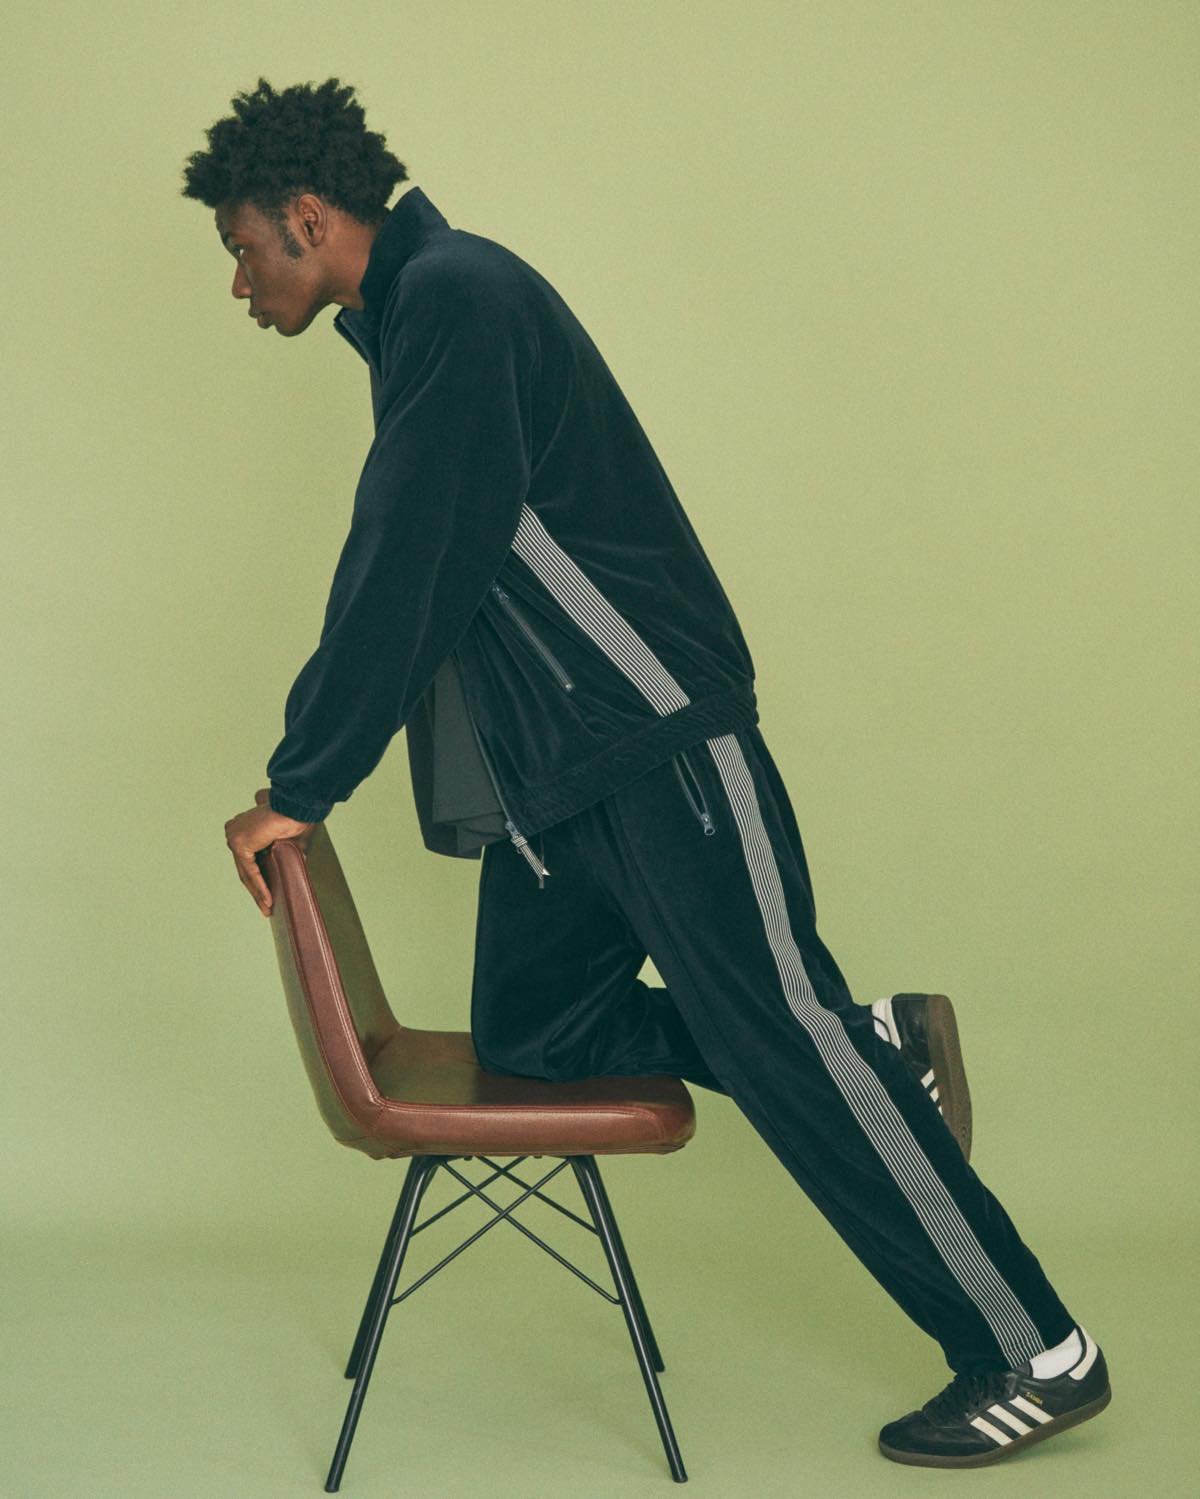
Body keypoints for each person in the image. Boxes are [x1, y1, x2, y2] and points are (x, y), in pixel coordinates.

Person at [194, 77, 1111, 1468]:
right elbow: (454, 565)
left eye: (243, 250)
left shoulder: (459, 298)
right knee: (534, 1037)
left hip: (655, 744)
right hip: (561, 785)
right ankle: (871, 1049)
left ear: (308, 218)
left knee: (784, 1039)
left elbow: (411, 561)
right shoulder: (416, 318)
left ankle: (1034, 1349)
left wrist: (301, 781)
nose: (240, 285)